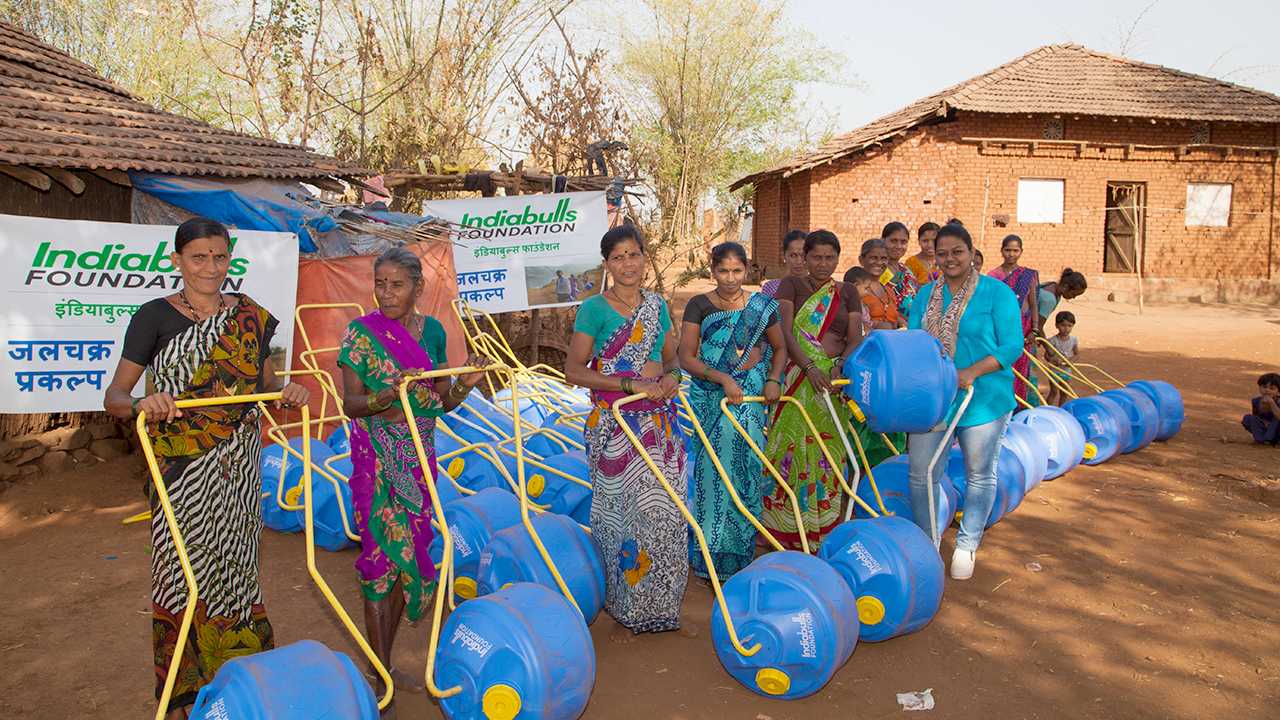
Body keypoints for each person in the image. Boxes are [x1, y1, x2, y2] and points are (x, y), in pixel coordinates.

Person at [103, 217, 311, 719]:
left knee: (237, 571)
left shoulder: (250, 316)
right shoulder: (152, 317)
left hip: (238, 467)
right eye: (199, 257)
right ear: (177, 261)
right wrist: (141, 404)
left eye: (220, 257)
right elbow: (113, 396)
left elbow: (265, 388)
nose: (210, 267)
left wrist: (287, 393)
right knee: (182, 576)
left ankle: (240, 692)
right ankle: (180, 698)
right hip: (180, 474)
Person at [337, 247, 488, 698]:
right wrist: (389, 395)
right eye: (379, 284)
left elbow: (439, 403)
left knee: (408, 558)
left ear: (418, 287)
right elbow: (351, 405)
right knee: (379, 559)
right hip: (376, 461)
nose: (386, 293)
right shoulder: (360, 335)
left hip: (419, 460)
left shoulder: (434, 332)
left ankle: (380, 664)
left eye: (396, 284)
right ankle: (378, 672)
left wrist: (464, 383)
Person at [565, 225, 687, 635]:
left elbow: (672, 360)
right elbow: (574, 370)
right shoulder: (594, 309)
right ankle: (625, 606)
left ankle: (661, 608)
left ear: (644, 258)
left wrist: (671, 380)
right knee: (622, 519)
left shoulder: (657, 306)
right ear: (607, 264)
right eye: (618, 257)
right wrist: (629, 385)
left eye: (634, 254)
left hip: (658, 425)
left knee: (665, 513)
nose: (628, 264)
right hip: (616, 429)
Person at [907, 223, 1022, 580]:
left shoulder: (996, 293)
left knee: (979, 475)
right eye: (942, 253)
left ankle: (968, 544)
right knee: (921, 473)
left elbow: (1012, 345)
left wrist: (972, 371)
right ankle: (929, 544)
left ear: (972, 253)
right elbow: (913, 341)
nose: (950, 259)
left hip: (984, 397)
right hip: (933, 399)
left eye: (958, 251)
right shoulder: (926, 295)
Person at [678, 242, 788, 578]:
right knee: (714, 477)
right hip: (713, 402)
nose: (730, 278)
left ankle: (741, 555)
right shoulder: (699, 305)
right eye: (723, 271)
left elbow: (781, 348)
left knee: (747, 473)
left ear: (748, 270)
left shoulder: (762, 307)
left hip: (751, 403)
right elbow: (686, 357)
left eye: (737, 271)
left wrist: (773, 379)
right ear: (712, 270)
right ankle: (711, 557)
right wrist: (723, 377)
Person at [761, 230, 863, 550]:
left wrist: (839, 364)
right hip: (797, 378)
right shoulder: (790, 285)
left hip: (832, 383)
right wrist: (808, 366)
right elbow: (785, 333)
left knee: (828, 451)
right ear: (804, 258)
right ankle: (783, 531)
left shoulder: (847, 292)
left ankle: (825, 528)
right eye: (816, 257)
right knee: (787, 450)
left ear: (837, 259)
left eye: (829, 257)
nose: (822, 264)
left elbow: (855, 336)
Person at [988, 235, 1041, 403]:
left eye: (1015, 250)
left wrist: (1034, 329)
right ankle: (1001, 405)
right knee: (1002, 367)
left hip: (1023, 328)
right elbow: (990, 305)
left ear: (1021, 252)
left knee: (1022, 370)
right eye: (1008, 250)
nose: (1011, 254)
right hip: (1001, 329)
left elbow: (1033, 303)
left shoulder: (1028, 275)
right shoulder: (993, 275)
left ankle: (1018, 406)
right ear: (1002, 251)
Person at [846, 239, 904, 330]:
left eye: (884, 258)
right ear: (861, 260)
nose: (879, 262)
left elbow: (895, 317)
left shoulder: (890, 291)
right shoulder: (856, 288)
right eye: (873, 258)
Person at [881, 221, 920, 317]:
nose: (898, 246)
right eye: (893, 241)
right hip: (887, 327)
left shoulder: (907, 272)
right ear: (883, 240)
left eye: (903, 242)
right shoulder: (878, 270)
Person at [1037, 268, 1088, 336]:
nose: (1073, 297)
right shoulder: (1049, 300)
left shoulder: (1052, 285)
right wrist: (1047, 346)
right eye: (1073, 294)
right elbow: (1038, 327)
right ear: (1066, 286)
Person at [1043, 311, 1078, 407]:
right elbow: (1047, 355)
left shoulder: (1073, 340)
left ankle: (1061, 410)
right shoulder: (1053, 340)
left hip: (1067, 371)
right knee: (1054, 391)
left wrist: (1071, 361)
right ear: (1057, 325)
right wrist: (1053, 360)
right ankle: (1046, 409)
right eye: (1063, 325)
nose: (1066, 328)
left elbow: (1076, 354)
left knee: (1065, 392)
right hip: (1055, 371)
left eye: (1069, 326)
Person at [762, 229, 808, 298]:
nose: (799, 261)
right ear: (784, 256)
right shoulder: (771, 288)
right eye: (793, 255)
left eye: (803, 255)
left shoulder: (820, 290)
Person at [1242, 373, 1280, 445]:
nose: (1267, 390)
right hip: (1265, 427)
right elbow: (1256, 417)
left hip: (1277, 429)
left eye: (1272, 388)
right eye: (1264, 387)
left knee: (1276, 419)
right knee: (1249, 418)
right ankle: (1261, 439)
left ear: (1278, 392)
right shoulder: (1256, 401)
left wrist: (1272, 404)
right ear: (1260, 388)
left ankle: (1269, 439)